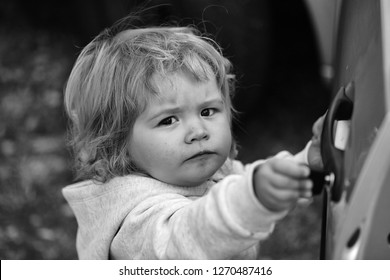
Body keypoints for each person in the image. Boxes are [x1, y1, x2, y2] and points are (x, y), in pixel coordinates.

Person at [62, 20, 324, 259]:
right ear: (116, 141)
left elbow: (244, 183)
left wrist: (304, 164)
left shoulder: (202, 171)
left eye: (207, 111)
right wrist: (252, 198)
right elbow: (188, 239)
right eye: (168, 120)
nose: (198, 131)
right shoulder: (136, 219)